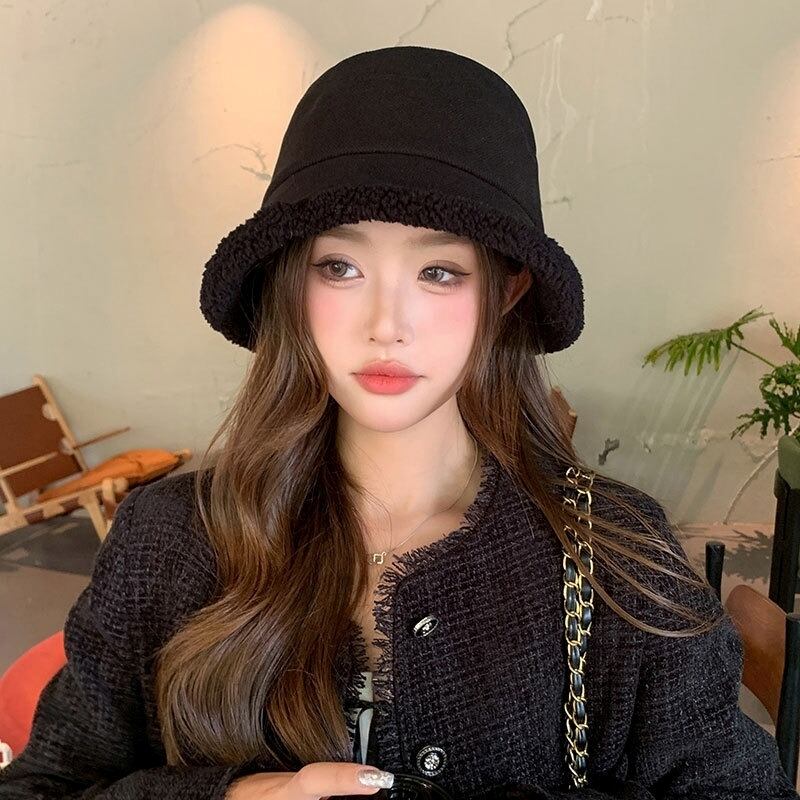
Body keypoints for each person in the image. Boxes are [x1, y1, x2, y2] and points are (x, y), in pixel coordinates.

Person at [1, 45, 797, 800]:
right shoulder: (170, 538)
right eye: (339, 267)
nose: (387, 324)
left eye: (439, 271)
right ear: (290, 285)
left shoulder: (617, 555)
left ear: (506, 292)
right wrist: (234, 791)